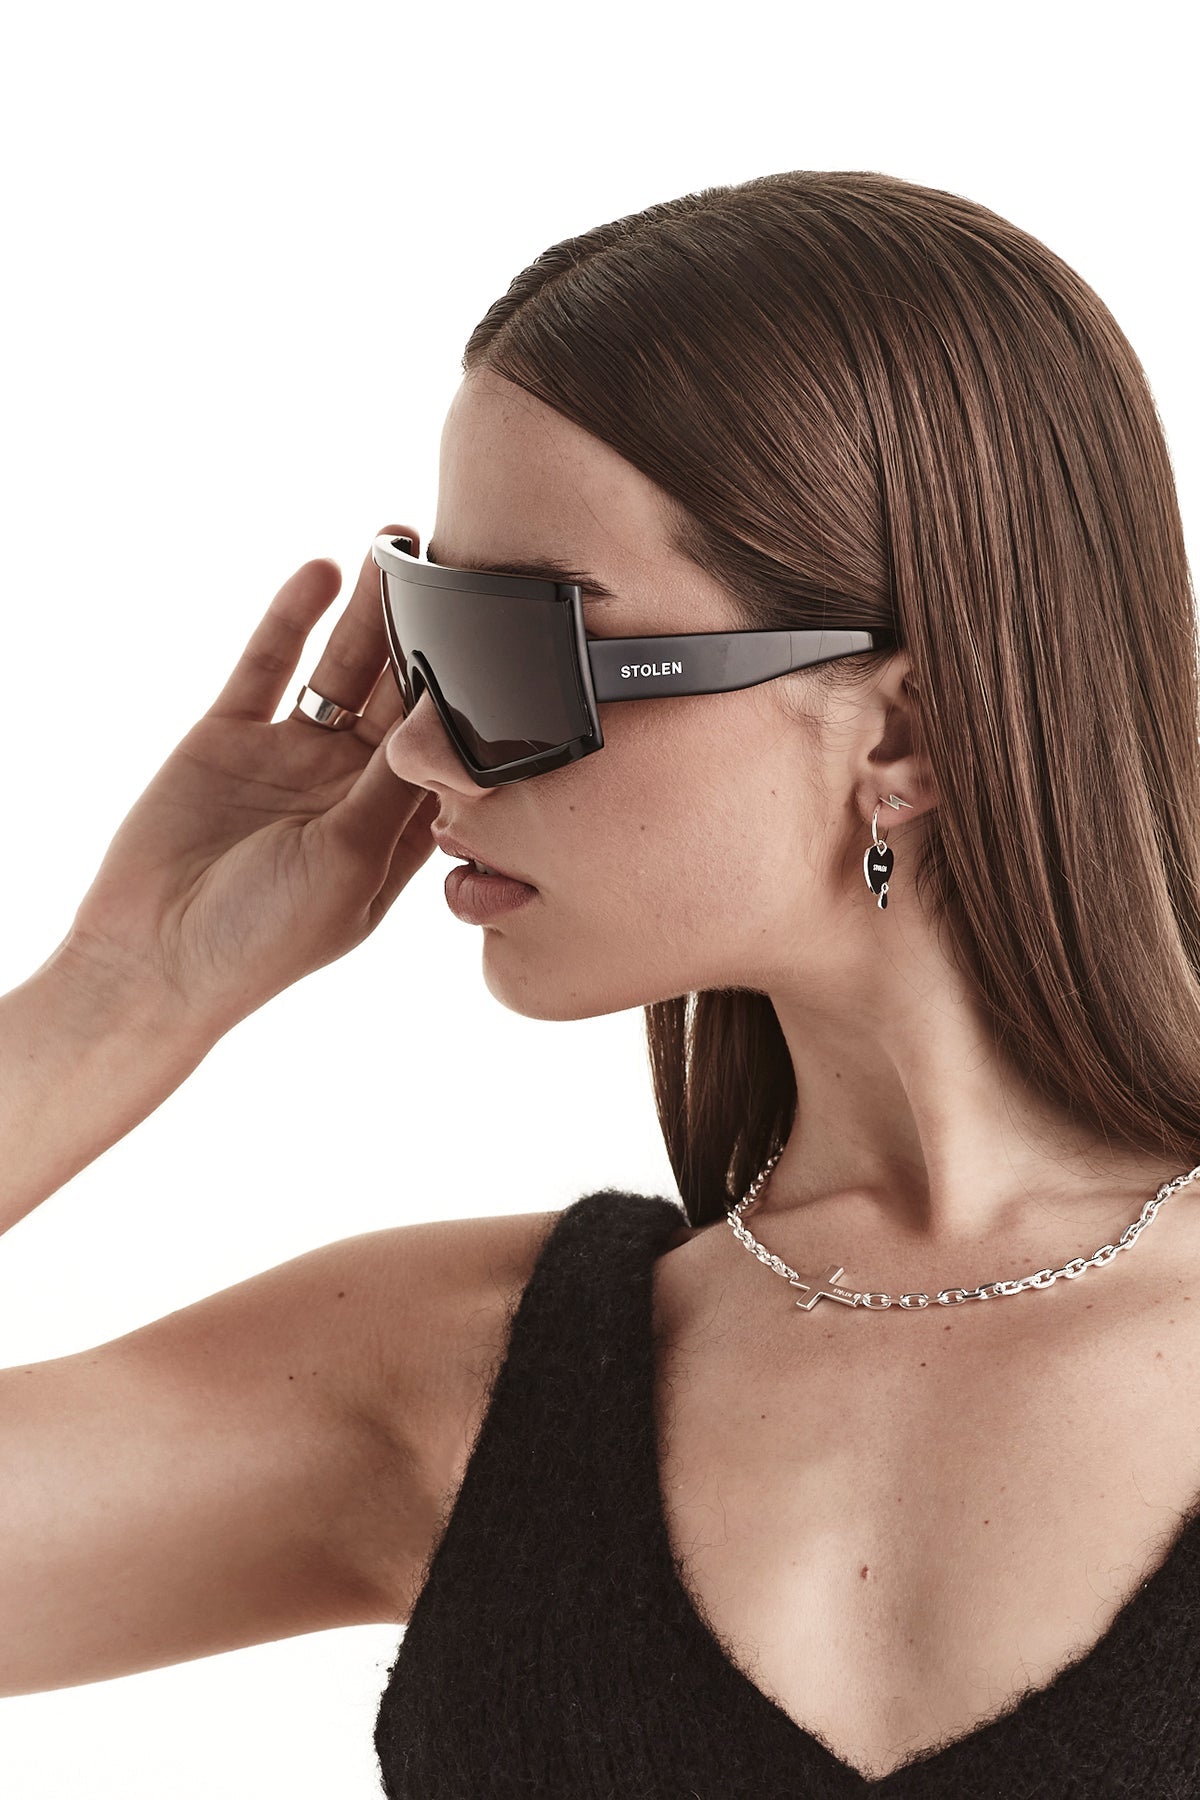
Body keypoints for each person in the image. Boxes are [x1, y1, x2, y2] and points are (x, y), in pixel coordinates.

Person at [3, 167, 1199, 1795]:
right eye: (424, 637)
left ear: (904, 735)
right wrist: (123, 993)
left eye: (516, 651)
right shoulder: (455, 1376)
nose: (416, 751)